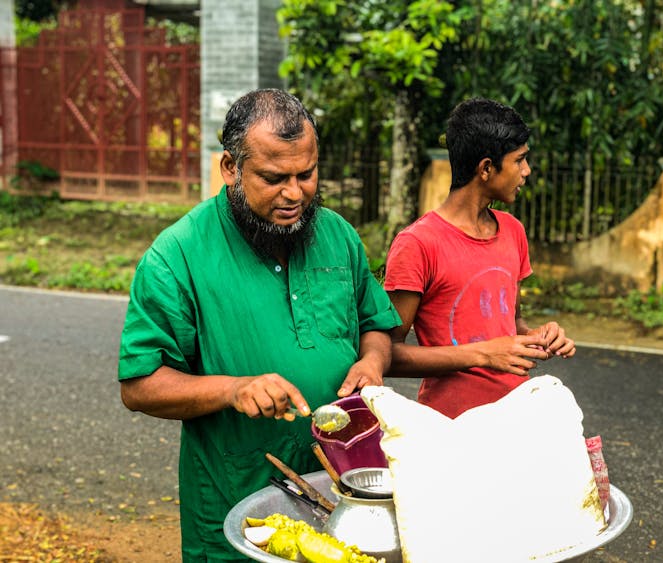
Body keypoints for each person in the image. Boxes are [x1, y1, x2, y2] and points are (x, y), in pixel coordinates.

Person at [118, 88, 401, 561]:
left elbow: (376, 323)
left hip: (342, 495)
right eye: (274, 178)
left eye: (306, 174)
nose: (295, 193)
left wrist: (372, 362)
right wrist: (233, 390)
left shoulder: (338, 236)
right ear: (231, 168)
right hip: (237, 502)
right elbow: (141, 385)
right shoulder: (176, 257)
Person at [384, 97, 576, 419]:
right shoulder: (417, 243)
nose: (526, 171)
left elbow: (511, 325)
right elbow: (387, 354)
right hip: (451, 426)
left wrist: (539, 337)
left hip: (514, 415)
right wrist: (483, 355)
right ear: (486, 168)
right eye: (520, 160)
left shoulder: (513, 231)